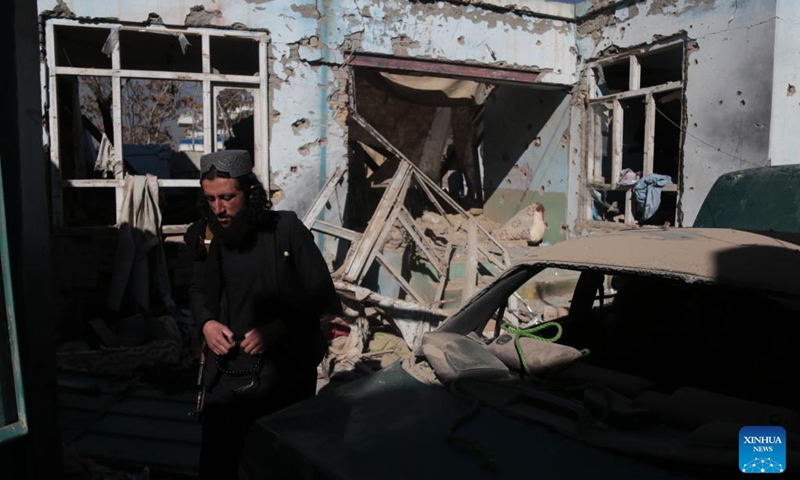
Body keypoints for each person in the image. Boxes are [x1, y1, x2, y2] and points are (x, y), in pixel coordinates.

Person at [184, 150, 336, 479]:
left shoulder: (286, 230)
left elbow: (320, 292)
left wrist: (279, 327)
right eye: (210, 199)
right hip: (226, 372)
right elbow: (196, 290)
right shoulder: (204, 235)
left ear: (250, 192)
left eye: (227, 197)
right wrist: (207, 323)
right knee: (218, 461)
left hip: (283, 373)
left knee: (279, 464)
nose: (218, 209)